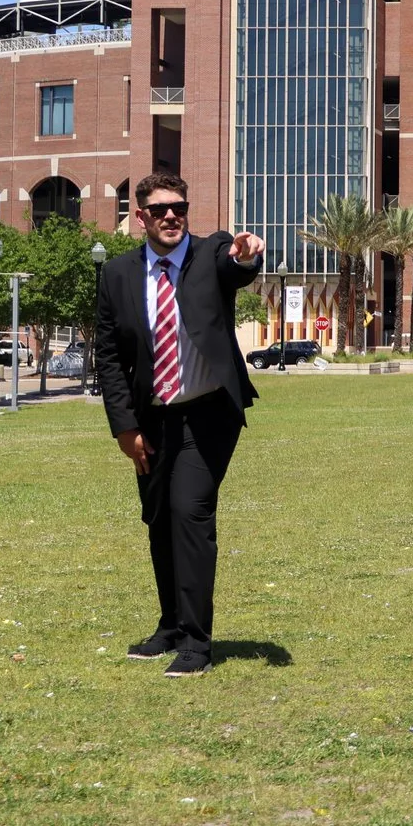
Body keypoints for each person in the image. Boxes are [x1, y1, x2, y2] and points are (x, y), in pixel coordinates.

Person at [94, 172, 266, 677]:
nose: (172, 216)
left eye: (180, 208)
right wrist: (124, 427)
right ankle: (169, 624)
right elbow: (109, 356)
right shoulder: (117, 275)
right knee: (159, 518)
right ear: (140, 217)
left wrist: (246, 256)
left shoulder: (210, 253)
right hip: (151, 418)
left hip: (208, 413)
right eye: (160, 209)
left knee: (189, 512)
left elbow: (237, 267)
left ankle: (195, 642)